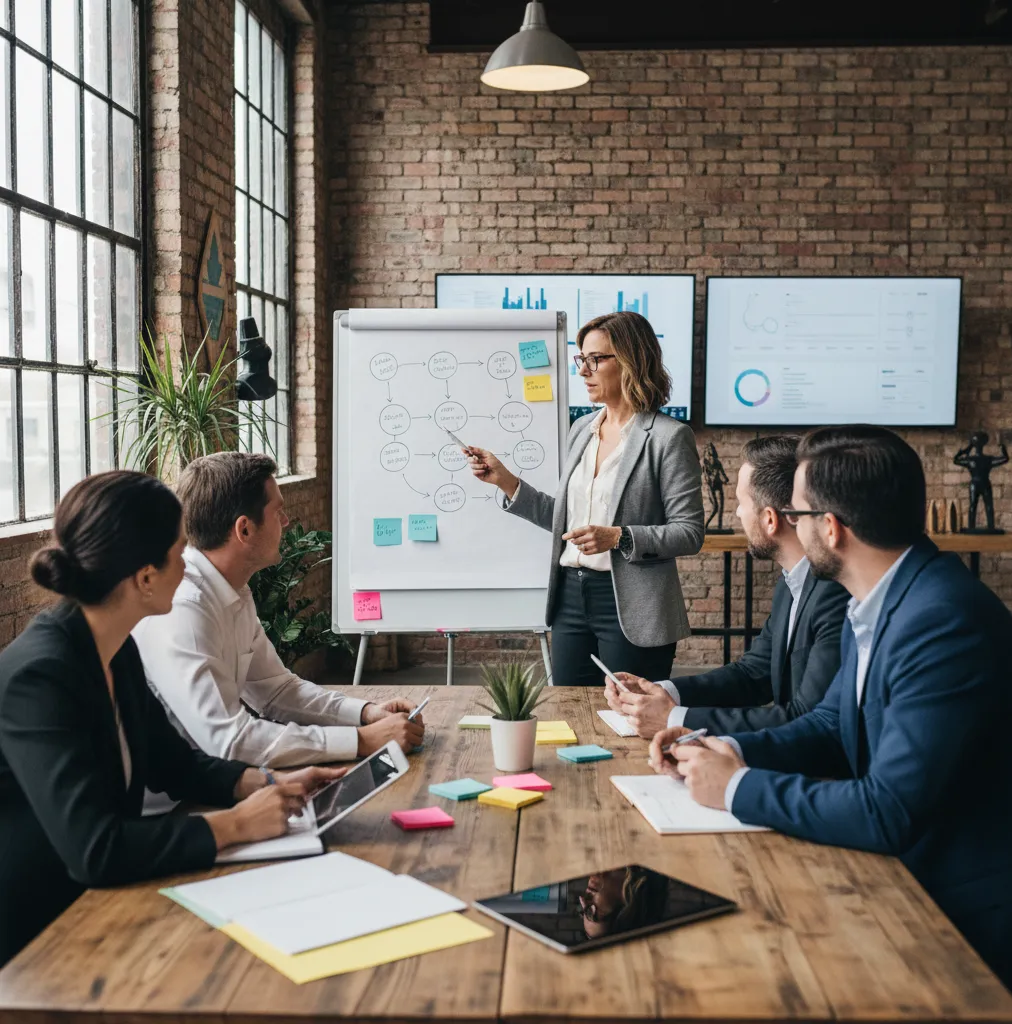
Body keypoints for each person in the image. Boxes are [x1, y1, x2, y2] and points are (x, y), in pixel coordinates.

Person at [650, 425, 1012, 1000]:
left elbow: (888, 810)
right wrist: (722, 748)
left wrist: (735, 788)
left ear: (831, 527)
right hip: (902, 878)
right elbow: (829, 723)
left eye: (797, 514)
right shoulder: (880, 597)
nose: (790, 526)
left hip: (962, 921)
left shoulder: (942, 622)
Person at [0, 472, 345, 967]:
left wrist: (268, 781)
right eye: (180, 553)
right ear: (145, 577)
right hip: (39, 933)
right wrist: (236, 825)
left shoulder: (114, 649)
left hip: (103, 903)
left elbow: (175, 763)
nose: (189, 567)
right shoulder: (40, 677)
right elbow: (94, 848)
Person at [134, 453, 423, 768]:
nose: (286, 522)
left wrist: (367, 714)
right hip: (174, 805)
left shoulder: (233, 588)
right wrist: (362, 741)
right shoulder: (185, 608)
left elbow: (277, 691)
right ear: (244, 530)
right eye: (278, 511)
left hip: (213, 784)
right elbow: (229, 742)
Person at [467, 310, 704, 685]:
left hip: (631, 604)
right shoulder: (582, 430)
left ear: (630, 361)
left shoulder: (668, 437)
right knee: (569, 711)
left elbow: (689, 532)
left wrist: (619, 536)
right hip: (570, 599)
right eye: (582, 359)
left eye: (595, 359)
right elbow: (568, 522)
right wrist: (507, 482)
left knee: (627, 719)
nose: (583, 371)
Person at [604, 435, 848, 738]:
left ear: (770, 519)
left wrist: (674, 719)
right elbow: (753, 674)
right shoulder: (791, 583)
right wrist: (661, 692)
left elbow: (808, 718)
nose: (737, 513)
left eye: (741, 502)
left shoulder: (835, 593)